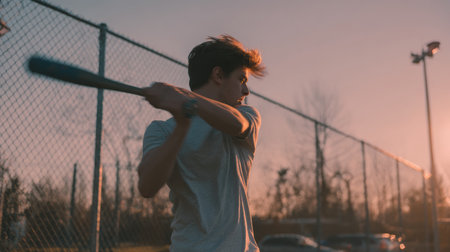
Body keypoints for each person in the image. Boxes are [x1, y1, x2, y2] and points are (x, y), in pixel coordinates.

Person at [137, 34, 266, 252]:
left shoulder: (245, 114)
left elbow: (238, 125)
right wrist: (181, 126)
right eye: (241, 79)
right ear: (218, 75)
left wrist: (186, 99)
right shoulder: (162, 130)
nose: (246, 91)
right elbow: (147, 187)